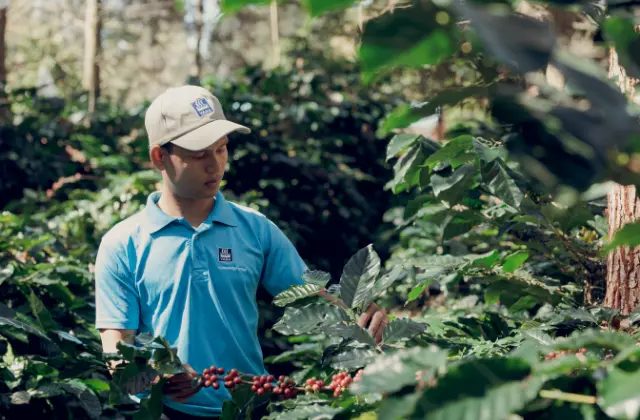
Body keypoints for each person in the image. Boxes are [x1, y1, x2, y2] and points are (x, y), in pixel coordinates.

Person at [94, 85, 389, 419]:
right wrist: (152, 377)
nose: (215, 165)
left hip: (250, 408)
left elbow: (313, 299)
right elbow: (117, 355)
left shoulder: (256, 230)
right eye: (198, 154)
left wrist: (360, 314)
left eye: (221, 149)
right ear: (159, 157)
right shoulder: (123, 244)